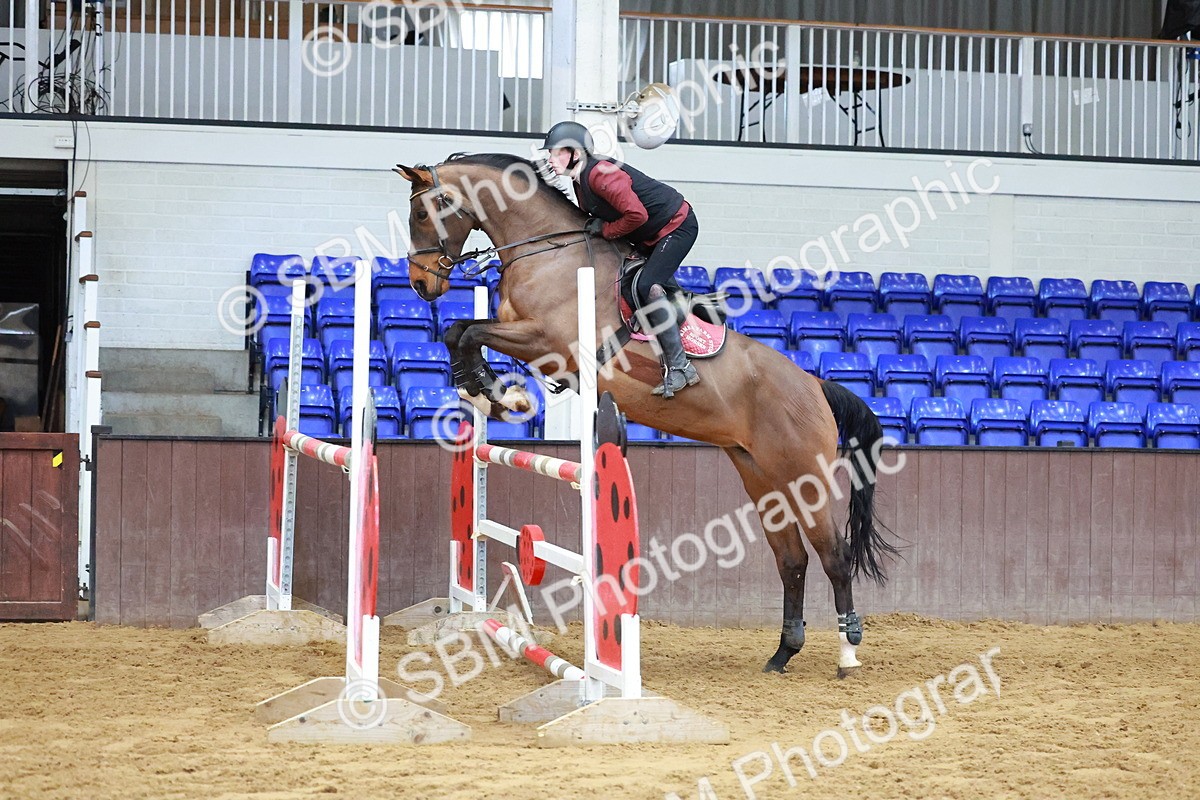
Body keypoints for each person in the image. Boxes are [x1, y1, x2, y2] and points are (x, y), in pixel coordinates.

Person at [542, 120, 700, 398]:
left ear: (576, 153)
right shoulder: (580, 182)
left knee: (646, 287)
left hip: (677, 226)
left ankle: (681, 367)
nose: (550, 159)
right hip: (651, 234)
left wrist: (604, 230)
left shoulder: (600, 174)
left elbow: (636, 215)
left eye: (556, 153)